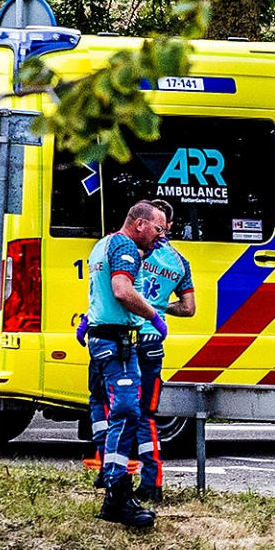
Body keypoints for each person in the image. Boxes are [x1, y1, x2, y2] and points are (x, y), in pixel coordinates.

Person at [80, 195, 190, 530]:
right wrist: (156, 315)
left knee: (105, 406)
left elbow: (100, 293)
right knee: (132, 411)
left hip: (102, 338)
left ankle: (111, 480)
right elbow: (122, 291)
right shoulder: (127, 248)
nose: (161, 234)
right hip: (121, 341)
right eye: (157, 228)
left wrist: (89, 320)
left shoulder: (102, 245)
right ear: (139, 223)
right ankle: (122, 491)